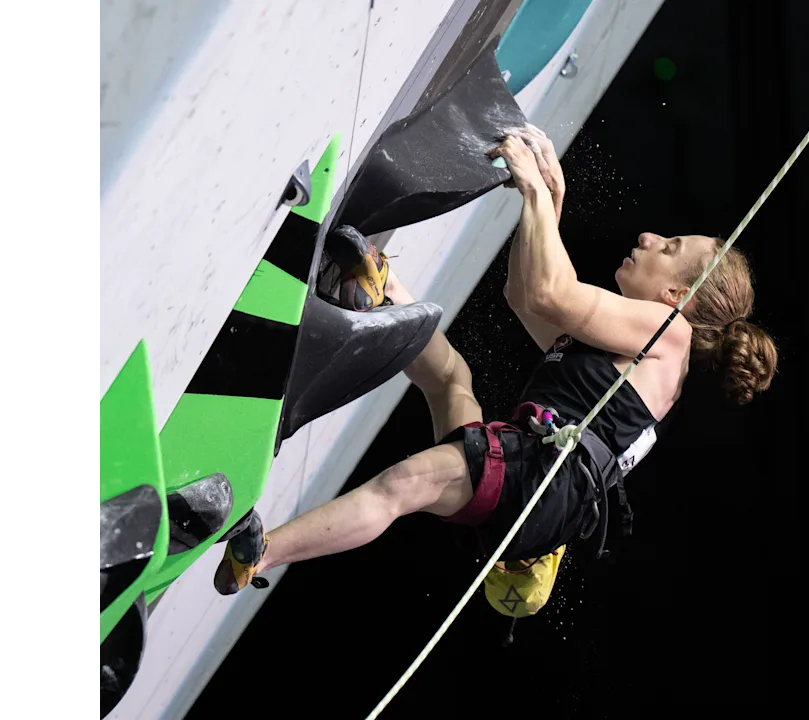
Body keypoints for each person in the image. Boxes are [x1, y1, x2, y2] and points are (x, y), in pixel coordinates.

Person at [213, 126, 778, 595]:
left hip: (539, 486)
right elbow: (526, 296)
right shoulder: (633, 353)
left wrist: (535, 192)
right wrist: (549, 204)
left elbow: (552, 292)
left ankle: (258, 555)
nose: (651, 237)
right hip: (539, 497)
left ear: (677, 296)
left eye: (670, 248)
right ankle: (378, 287)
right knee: (449, 378)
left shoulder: (670, 332)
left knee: (402, 485)